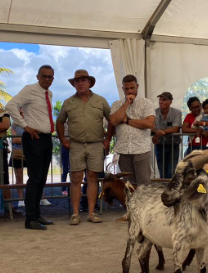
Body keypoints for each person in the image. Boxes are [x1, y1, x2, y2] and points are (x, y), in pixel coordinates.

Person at [57, 69, 112, 225]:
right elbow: (59, 121)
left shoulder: (101, 101)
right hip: (76, 144)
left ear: (89, 83)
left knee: (93, 178)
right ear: (74, 84)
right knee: (75, 178)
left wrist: (108, 138)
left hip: (96, 144)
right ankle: (75, 214)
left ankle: (91, 213)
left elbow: (112, 120)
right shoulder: (68, 102)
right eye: (77, 81)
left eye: (83, 80)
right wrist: (62, 139)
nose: (80, 83)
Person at [6, 65, 56, 230]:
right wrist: (24, 126)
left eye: (50, 77)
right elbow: (10, 105)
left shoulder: (48, 93)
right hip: (33, 137)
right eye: (44, 76)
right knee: (34, 179)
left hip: (46, 138)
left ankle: (37, 214)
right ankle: (30, 219)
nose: (47, 79)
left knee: (41, 179)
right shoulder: (30, 89)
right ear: (38, 76)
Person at [109, 75, 155, 186]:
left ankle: (144, 204)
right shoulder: (117, 104)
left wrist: (127, 120)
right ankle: (130, 204)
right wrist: (126, 104)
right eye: (127, 88)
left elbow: (149, 123)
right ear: (123, 89)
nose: (130, 91)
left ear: (137, 87)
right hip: (123, 150)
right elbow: (114, 121)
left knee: (144, 183)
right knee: (128, 184)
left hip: (141, 149)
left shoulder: (146, 103)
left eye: (132, 88)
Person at [151, 92, 182, 178]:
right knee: (162, 171)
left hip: (173, 145)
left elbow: (175, 128)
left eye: (164, 100)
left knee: (171, 172)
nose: (161, 102)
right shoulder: (154, 112)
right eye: (160, 99)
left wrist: (160, 132)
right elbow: (150, 126)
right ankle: (163, 190)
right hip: (160, 145)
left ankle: (170, 190)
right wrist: (157, 131)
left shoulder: (177, 112)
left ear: (170, 102)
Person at [60, 122, 70, 196]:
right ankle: (63, 188)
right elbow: (60, 135)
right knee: (65, 169)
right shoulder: (62, 124)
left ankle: (74, 187)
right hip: (65, 147)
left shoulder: (75, 123)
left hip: (74, 146)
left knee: (75, 169)